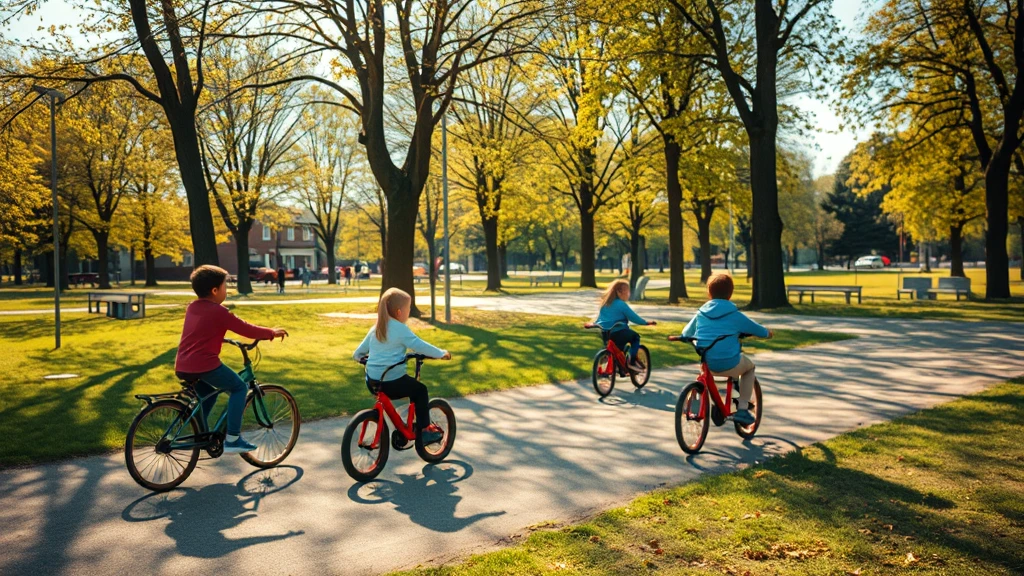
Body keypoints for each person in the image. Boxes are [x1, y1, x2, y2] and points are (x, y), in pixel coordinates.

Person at [174, 265, 289, 453]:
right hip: (204, 365)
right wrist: (271, 333)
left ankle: (201, 437)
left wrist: (221, 337)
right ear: (214, 290)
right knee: (239, 387)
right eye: (225, 287)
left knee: (207, 397)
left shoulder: (192, 308)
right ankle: (233, 439)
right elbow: (246, 329)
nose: (226, 291)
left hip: (183, 365)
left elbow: (200, 331)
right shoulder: (219, 312)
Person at [353, 288, 451, 445]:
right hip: (392, 382)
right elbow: (420, 346)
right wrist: (441, 353)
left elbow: (358, 353)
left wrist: (360, 358)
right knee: (420, 390)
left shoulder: (377, 327)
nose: (409, 311)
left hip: (372, 381)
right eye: (409, 308)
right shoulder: (400, 329)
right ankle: (425, 430)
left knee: (406, 388)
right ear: (399, 312)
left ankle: (403, 424)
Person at [680, 273, 772, 426]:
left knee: (706, 368)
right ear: (730, 293)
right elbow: (759, 330)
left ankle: (697, 402)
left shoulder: (700, 313)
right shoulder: (735, 315)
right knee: (749, 368)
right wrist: (768, 333)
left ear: (709, 293)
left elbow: (686, 333)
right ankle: (742, 408)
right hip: (730, 364)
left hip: (708, 364)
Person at [585, 278, 656, 372]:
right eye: (627, 291)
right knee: (635, 337)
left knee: (616, 349)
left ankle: (616, 365)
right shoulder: (621, 304)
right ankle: (632, 362)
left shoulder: (605, 303)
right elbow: (633, 317)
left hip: (606, 333)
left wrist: (593, 324)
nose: (628, 294)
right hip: (619, 332)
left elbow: (600, 318)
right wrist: (645, 322)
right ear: (619, 292)